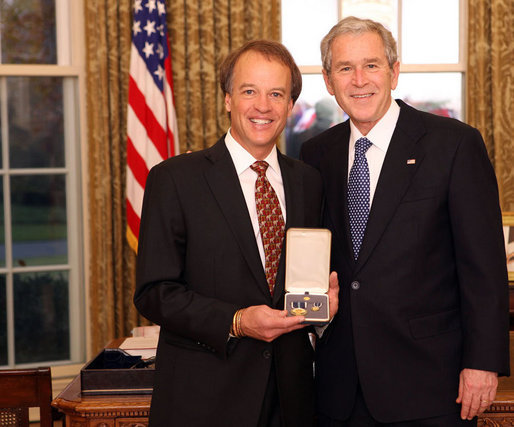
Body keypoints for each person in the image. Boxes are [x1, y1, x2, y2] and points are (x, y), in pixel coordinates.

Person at [300, 16, 510, 427]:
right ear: (328, 81)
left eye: (372, 65)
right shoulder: (314, 155)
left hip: (429, 384)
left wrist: (482, 363)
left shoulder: (453, 145)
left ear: (394, 72)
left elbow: (484, 269)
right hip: (338, 388)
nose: (359, 80)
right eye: (345, 68)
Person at [134, 39, 339, 427]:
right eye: (249, 91)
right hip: (206, 400)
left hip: (293, 399)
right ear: (228, 99)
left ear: (290, 105)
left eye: (276, 94)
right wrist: (238, 321)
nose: (263, 106)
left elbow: (309, 280)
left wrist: (325, 307)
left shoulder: (309, 182)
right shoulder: (175, 180)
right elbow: (154, 293)